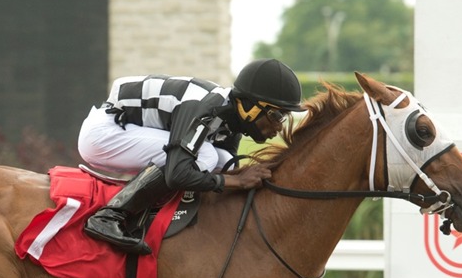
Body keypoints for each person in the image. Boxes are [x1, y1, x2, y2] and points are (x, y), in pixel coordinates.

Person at [78, 58, 303, 254]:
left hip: (126, 130)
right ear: (250, 107)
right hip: (104, 134)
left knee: (222, 160)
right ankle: (109, 216)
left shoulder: (230, 120)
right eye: (276, 115)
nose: (279, 127)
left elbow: (222, 170)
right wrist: (237, 180)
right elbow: (177, 174)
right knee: (205, 155)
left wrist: (232, 178)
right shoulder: (204, 107)